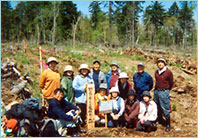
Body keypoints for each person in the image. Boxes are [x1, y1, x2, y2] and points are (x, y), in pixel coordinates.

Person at [154, 57, 173, 132]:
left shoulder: (168, 72)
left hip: (164, 91)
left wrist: (166, 90)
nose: (160, 64)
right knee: (157, 106)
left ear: (164, 64)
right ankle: (160, 119)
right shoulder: (156, 72)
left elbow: (171, 82)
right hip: (157, 91)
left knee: (165, 107)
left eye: (161, 62)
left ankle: (168, 124)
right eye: (158, 62)